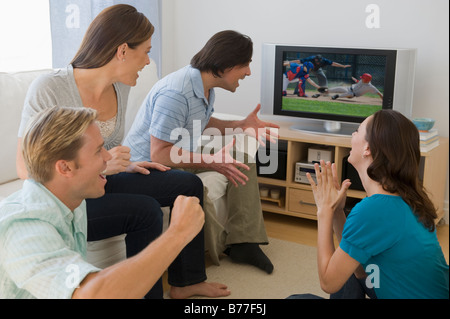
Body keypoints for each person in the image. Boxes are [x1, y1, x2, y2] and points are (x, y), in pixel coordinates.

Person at [15, 4, 229, 299]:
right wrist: (103, 166)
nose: (147, 61)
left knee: (188, 183)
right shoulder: (49, 88)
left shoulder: (120, 87)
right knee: (145, 211)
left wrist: (125, 165)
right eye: (146, 51)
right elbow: (26, 169)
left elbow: (103, 151)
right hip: (66, 197)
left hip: (98, 179)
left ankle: (185, 282)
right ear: (123, 51)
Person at [0, 106, 206, 299]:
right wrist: (177, 233)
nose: (108, 156)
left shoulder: (69, 199)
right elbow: (91, 293)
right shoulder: (24, 228)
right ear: (64, 168)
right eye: (99, 150)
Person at [124, 30, 280, 274]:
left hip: (178, 150)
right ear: (226, 64)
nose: (248, 72)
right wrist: (211, 160)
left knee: (241, 159)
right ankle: (213, 249)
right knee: (199, 179)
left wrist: (239, 125)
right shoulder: (176, 92)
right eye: (245, 64)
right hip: (146, 166)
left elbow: (201, 121)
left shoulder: (205, 86)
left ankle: (244, 242)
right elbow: (159, 154)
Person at [299, 109, 449, 299]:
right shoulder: (409, 198)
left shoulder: (374, 210)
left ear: (367, 148)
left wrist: (324, 211)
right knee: (347, 269)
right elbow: (361, 271)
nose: (353, 135)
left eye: (358, 130)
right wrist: (337, 211)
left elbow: (328, 282)